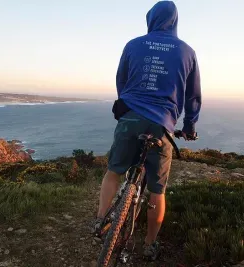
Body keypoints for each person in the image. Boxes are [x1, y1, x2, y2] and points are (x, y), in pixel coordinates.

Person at [92, 0, 202, 261]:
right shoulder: (187, 51)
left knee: (113, 172)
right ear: (175, 21)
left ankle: (99, 221)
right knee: (157, 190)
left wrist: (129, 103)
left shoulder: (133, 45)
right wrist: (189, 126)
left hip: (130, 117)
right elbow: (193, 97)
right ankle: (150, 244)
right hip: (162, 126)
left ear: (150, 19)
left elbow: (122, 79)